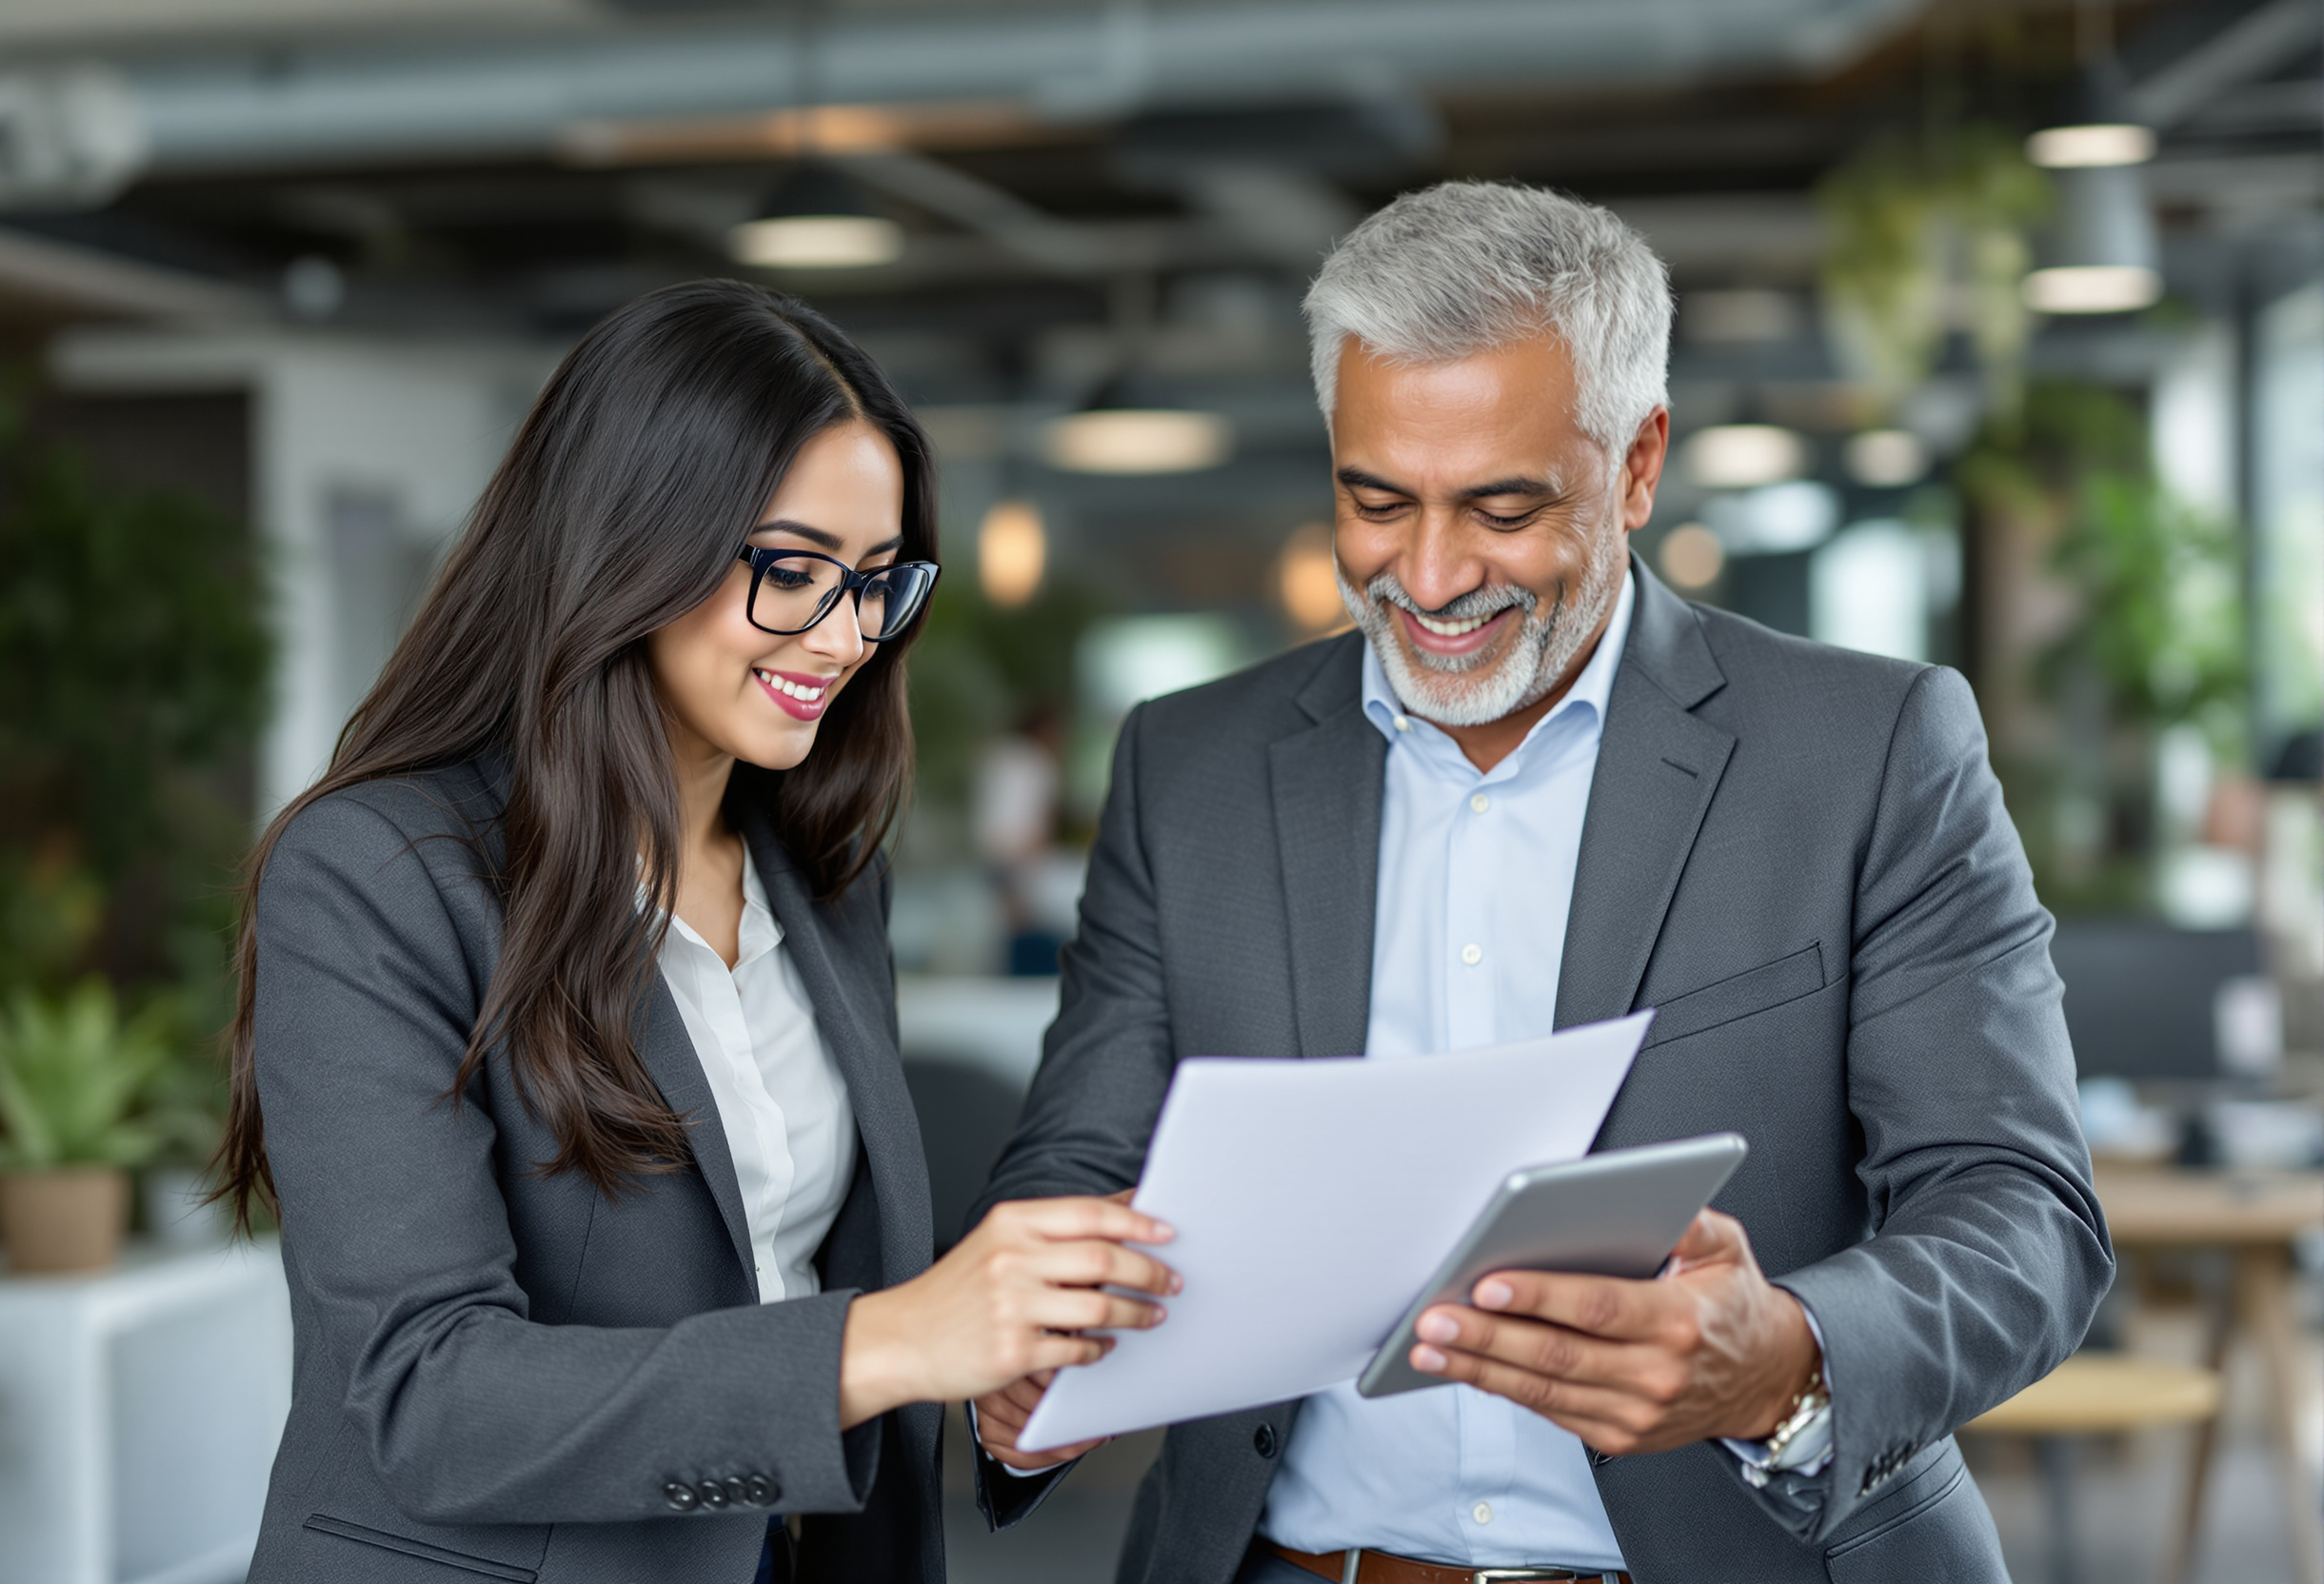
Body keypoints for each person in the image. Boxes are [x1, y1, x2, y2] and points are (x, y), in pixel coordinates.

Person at [964, 184, 2111, 1584]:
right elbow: (1080, 1162)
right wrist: (1031, 1346)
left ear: (1638, 465)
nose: (1430, 574)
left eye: (1503, 507)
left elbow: (2019, 1212)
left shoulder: (1869, 752)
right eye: (1375, 500)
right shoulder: (1188, 767)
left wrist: (1786, 1357)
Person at [212, 281, 1177, 1584]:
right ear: (632, 546)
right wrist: (896, 1340)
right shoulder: (378, 874)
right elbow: (431, 1394)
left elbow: (795, 1285)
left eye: (876, 582)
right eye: (793, 571)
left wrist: (991, 1378)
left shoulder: (827, 879)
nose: (844, 636)